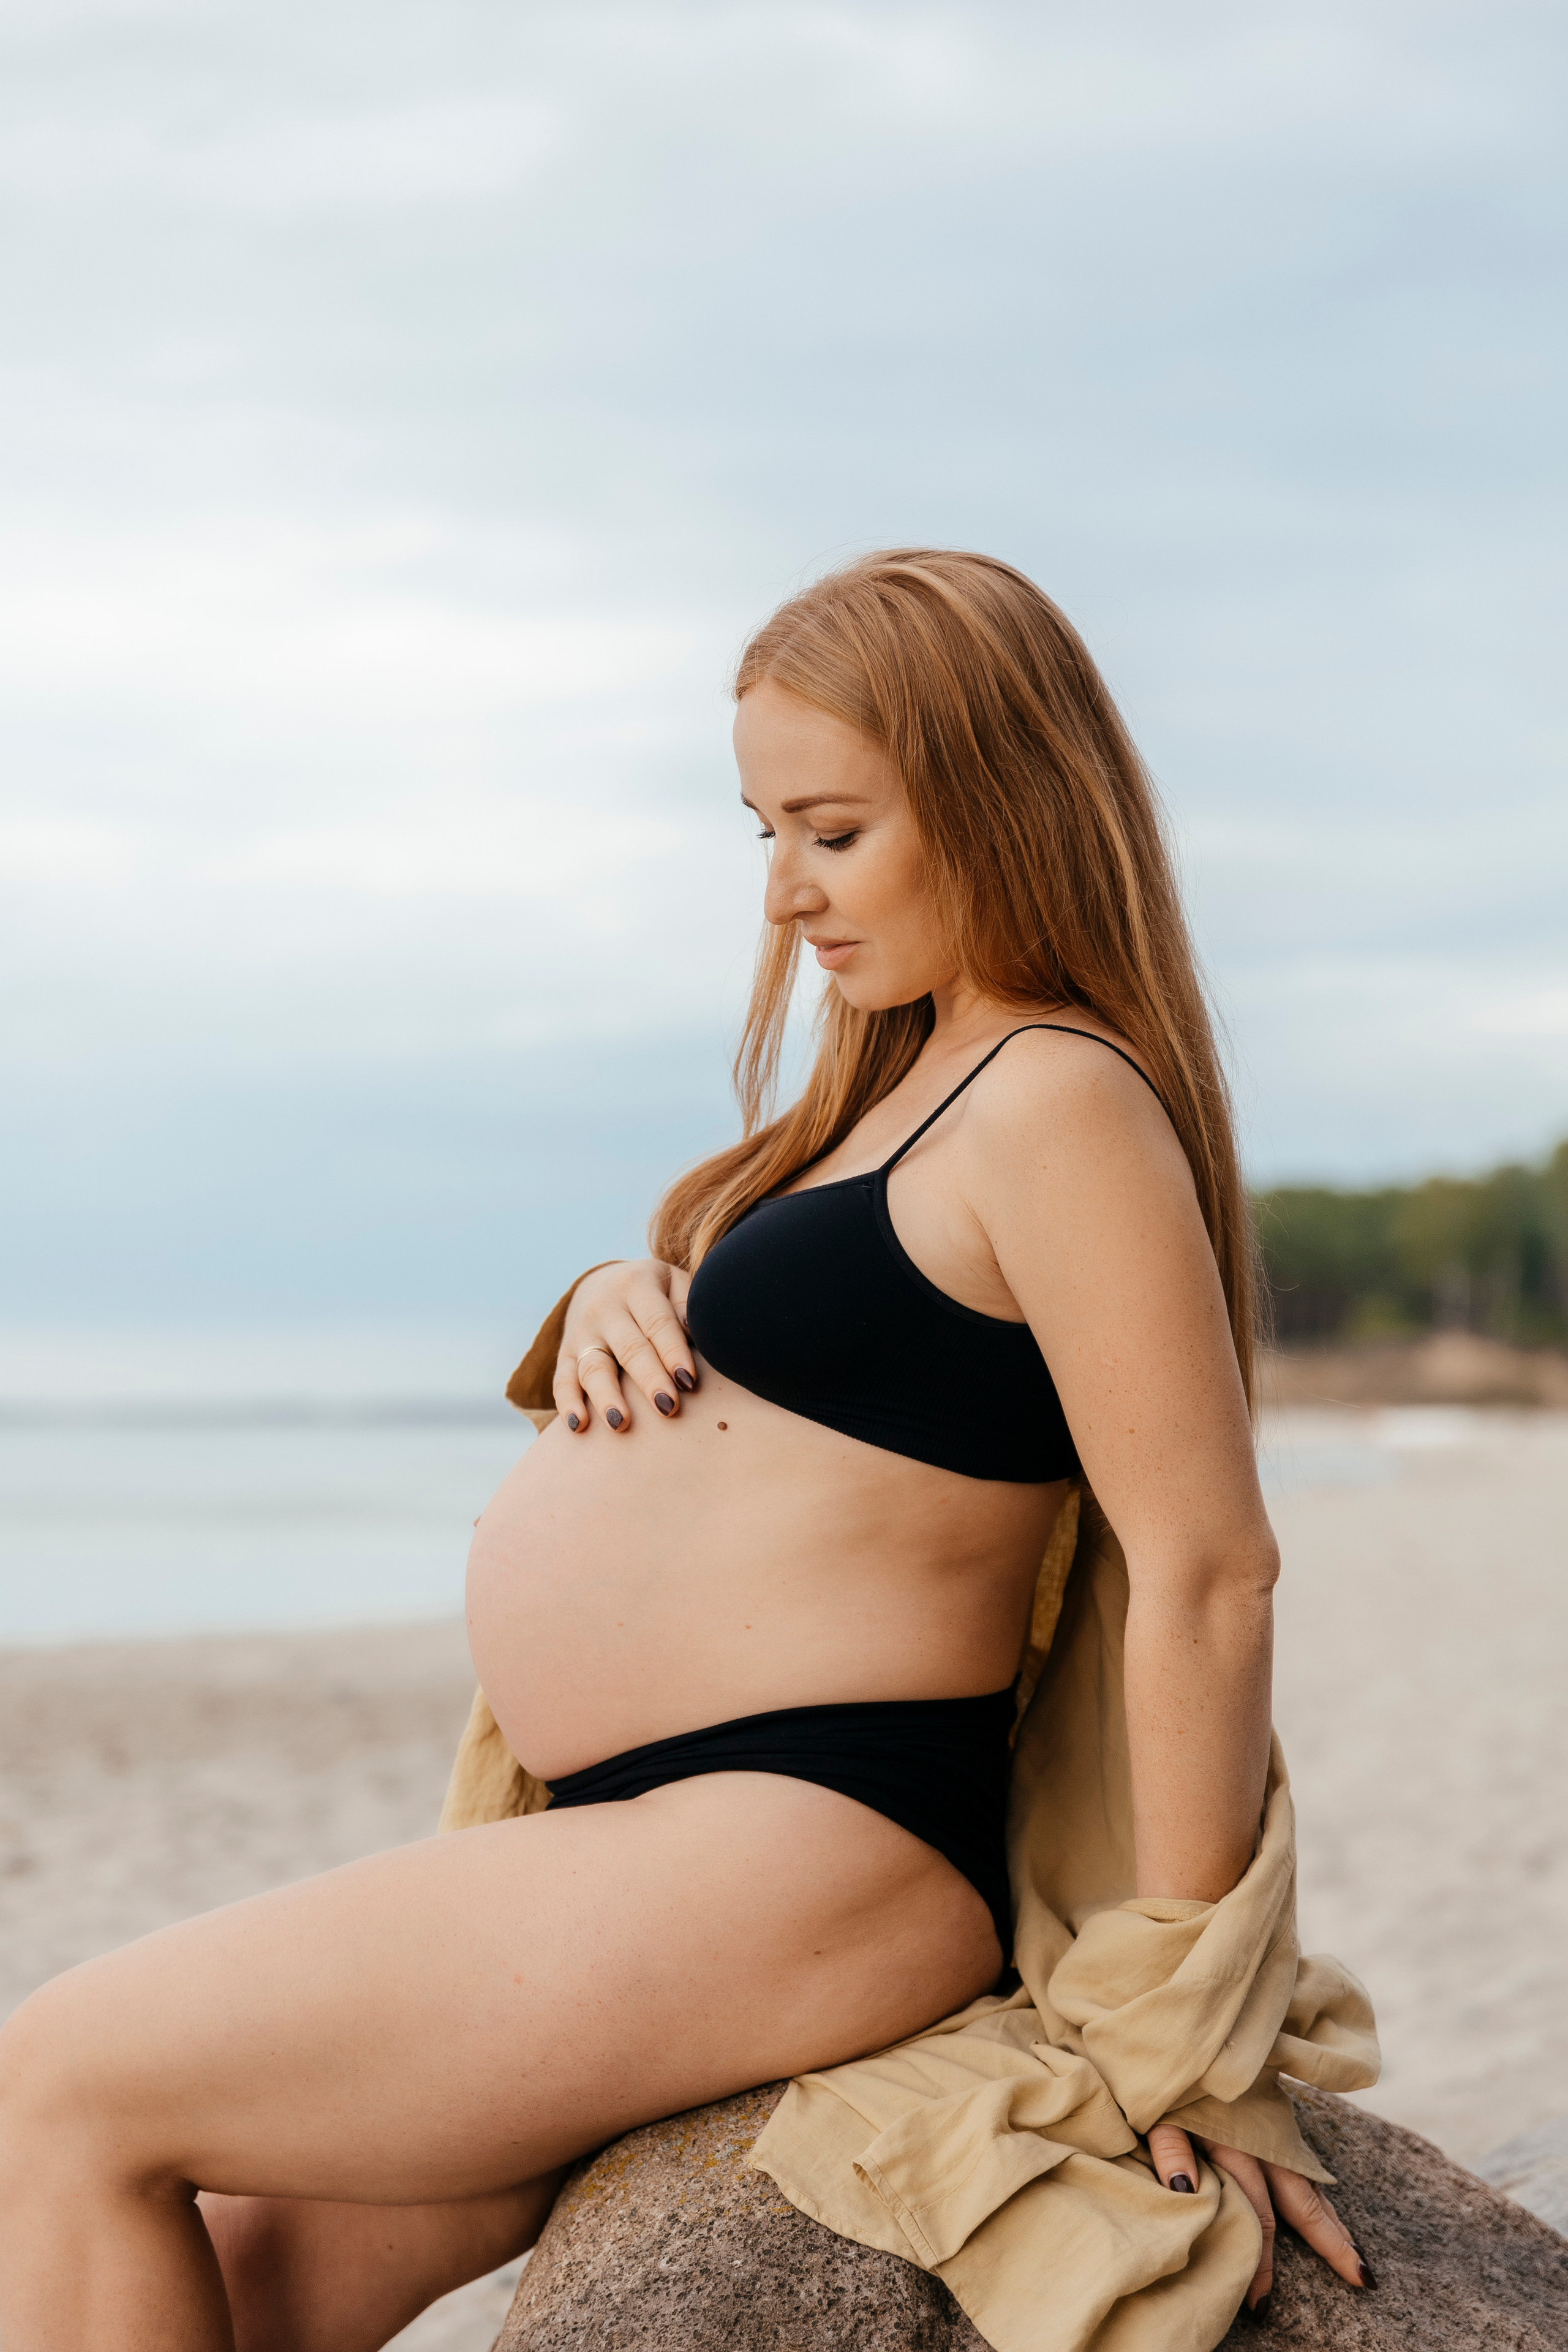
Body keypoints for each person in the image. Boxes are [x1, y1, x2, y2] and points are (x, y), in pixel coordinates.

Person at [0, 551, 1373, 2350]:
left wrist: (1187, 2023)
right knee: (226, 2287)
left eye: (833, 829)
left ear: (994, 798)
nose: (789, 891)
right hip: (645, 1848)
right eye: (764, 835)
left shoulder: (1057, 1095)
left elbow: (1208, 1563)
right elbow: (835, 1373)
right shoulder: (889, 1097)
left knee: (58, 2079)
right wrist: (608, 1292)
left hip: (807, 1837)